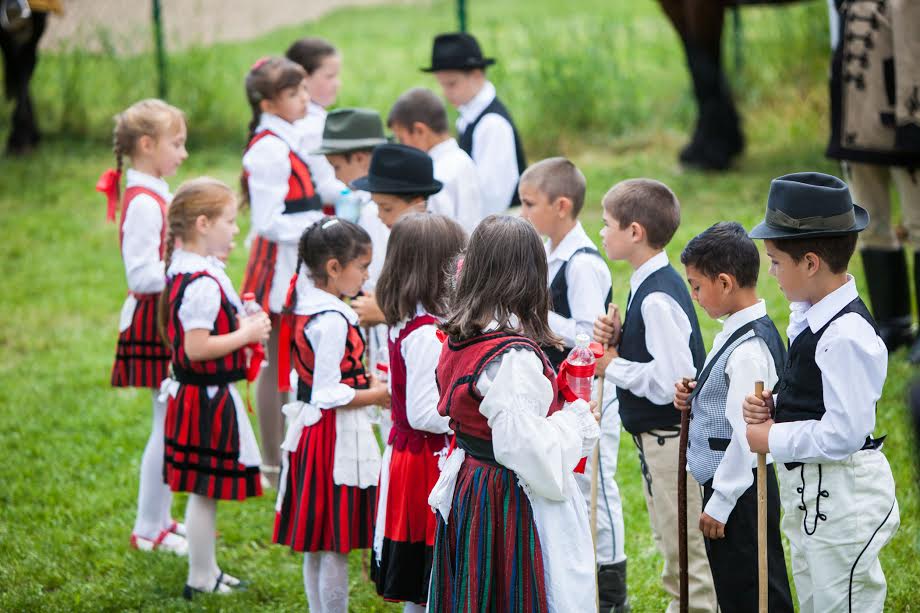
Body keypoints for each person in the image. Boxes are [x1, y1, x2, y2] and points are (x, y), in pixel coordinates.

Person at [427, 215, 600, 612]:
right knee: (514, 590)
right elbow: (525, 449)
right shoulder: (512, 358)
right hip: (507, 499)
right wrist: (575, 419)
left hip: (477, 482)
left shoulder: (465, 333)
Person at [744, 172, 900, 613]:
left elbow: (844, 433)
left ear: (810, 263)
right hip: (814, 501)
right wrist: (780, 406)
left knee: (841, 604)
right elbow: (817, 396)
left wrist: (771, 437)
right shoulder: (811, 316)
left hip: (844, 503)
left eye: (775, 261)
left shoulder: (845, 335)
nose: (770, 273)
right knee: (815, 600)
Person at [593, 179, 717, 612]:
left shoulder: (657, 297)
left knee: (686, 556)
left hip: (672, 443)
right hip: (661, 443)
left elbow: (674, 381)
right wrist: (622, 339)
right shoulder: (646, 282)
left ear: (635, 232)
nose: (602, 233)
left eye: (607, 225)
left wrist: (613, 366)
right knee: (672, 545)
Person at [518, 157, 628, 611]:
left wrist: (533, 314)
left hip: (592, 395)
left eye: (529, 204)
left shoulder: (583, 264)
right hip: (562, 393)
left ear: (561, 205)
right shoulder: (548, 252)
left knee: (596, 488)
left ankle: (610, 590)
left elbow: (588, 337)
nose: (523, 213)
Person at [158, 177, 270, 598]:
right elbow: (197, 346)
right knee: (205, 492)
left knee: (206, 492)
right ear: (203, 224)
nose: (236, 228)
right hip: (205, 400)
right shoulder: (201, 282)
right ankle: (200, 578)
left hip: (205, 396)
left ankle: (206, 570)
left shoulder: (197, 269)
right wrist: (246, 334)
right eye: (229, 220)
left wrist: (244, 323)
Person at [673, 222, 794, 613]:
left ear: (725, 283)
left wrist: (720, 502)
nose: (693, 296)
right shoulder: (733, 331)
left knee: (751, 589)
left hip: (741, 492)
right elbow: (724, 394)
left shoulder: (747, 351)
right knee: (738, 584)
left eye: (696, 286)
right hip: (736, 486)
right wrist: (697, 393)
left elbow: (746, 436)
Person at [272, 217, 389, 612]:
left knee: (318, 544)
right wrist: (377, 394)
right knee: (333, 544)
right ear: (334, 268)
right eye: (363, 267)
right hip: (331, 438)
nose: (367, 275)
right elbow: (327, 391)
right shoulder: (335, 318)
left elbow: (304, 376)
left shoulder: (306, 305)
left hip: (311, 431)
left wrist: (362, 376)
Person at [96, 98, 189, 555]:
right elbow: (140, 274)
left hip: (162, 320)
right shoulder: (144, 202)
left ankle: (160, 521)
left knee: (169, 424)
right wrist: (189, 269)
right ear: (148, 145)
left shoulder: (154, 191)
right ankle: (149, 528)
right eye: (177, 143)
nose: (183, 153)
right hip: (152, 324)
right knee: (166, 426)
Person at [371, 213, 467, 611]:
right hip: (427, 461)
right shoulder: (427, 334)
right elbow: (423, 413)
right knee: (429, 571)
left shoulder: (408, 322)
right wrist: (473, 412)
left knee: (425, 573)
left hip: (412, 457)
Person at [825, 0, 920, 362]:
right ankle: (891, 322)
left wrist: (912, 122)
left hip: (901, 126)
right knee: (869, 223)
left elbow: (913, 53)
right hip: (858, 128)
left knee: (918, 224)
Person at [240, 56, 315, 488]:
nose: (304, 99)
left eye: (304, 89)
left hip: (296, 261)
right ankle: (272, 462)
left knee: (289, 358)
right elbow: (268, 220)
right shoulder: (268, 147)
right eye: (294, 93)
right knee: (272, 361)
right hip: (277, 266)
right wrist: (319, 226)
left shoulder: (290, 135)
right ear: (269, 103)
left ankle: (287, 454)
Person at [423, 32, 525, 214]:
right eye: (442, 85)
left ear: (477, 75)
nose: (446, 93)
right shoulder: (469, 116)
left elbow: (494, 196)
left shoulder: (492, 124)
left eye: (452, 84)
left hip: (503, 229)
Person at [348, 143, 443, 331]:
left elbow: (440, 315)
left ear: (417, 204)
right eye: (377, 206)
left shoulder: (437, 248)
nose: (379, 215)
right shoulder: (394, 237)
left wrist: (385, 314)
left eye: (387, 208)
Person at [387, 87, 483, 233]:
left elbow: (435, 236)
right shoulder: (463, 159)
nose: (402, 146)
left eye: (402, 139)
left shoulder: (435, 174)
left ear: (420, 130)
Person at [286, 36, 347, 211]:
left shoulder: (314, 118)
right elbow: (323, 186)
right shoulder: (309, 126)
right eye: (329, 76)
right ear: (303, 78)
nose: (337, 83)